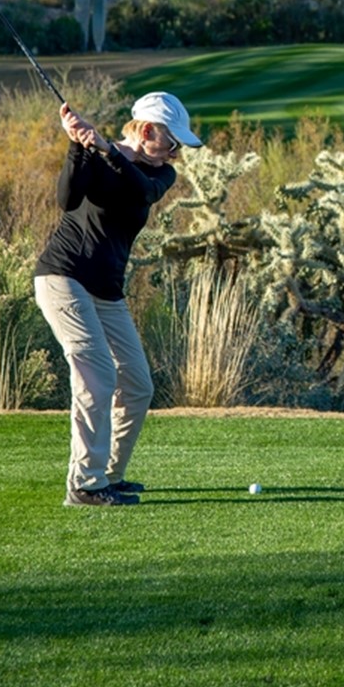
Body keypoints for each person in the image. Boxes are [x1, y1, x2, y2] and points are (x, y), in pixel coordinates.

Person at [34, 91, 202, 507]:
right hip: (64, 277)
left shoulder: (159, 174)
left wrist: (105, 147)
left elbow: (139, 190)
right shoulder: (96, 154)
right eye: (172, 142)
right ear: (147, 131)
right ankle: (85, 485)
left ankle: (108, 473)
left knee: (138, 384)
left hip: (106, 290)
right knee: (97, 375)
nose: (176, 152)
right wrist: (77, 145)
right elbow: (67, 199)